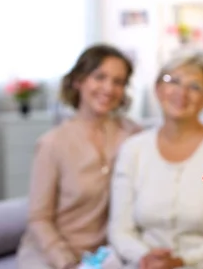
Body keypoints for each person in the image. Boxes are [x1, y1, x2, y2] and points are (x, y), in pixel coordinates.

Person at [107, 53, 203, 269]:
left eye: (194, 86)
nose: (181, 93)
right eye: (172, 81)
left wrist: (181, 261)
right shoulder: (133, 149)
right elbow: (120, 229)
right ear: (157, 89)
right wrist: (146, 258)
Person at [17, 44, 143, 269]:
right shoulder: (52, 143)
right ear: (79, 81)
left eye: (118, 81)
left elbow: (172, 141)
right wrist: (65, 262)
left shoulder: (132, 135)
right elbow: (38, 218)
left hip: (107, 257)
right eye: (99, 77)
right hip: (53, 257)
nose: (108, 88)